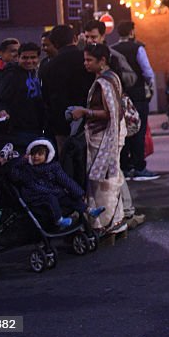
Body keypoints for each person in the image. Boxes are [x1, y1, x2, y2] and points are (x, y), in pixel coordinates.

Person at [68, 43, 127, 237]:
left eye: (89, 60)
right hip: (106, 135)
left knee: (101, 183)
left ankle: (105, 223)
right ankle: (114, 221)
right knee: (109, 179)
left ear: (102, 61)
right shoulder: (111, 77)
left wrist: (84, 111)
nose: (85, 64)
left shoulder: (105, 81)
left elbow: (110, 113)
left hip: (102, 136)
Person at [0, 139, 102, 231]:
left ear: (47, 155)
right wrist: (23, 160)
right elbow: (13, 173)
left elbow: (66, 180)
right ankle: (58, 219)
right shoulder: (27, 170)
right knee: (51, 198)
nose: (36, 157)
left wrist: (78, 192)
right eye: (33, 154)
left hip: (53, 191)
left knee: (69, 197)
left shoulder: (54, 167)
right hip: (35, 196)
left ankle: (89, 210)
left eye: (40, 154)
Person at [40, 25, 94, 187]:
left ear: (54, 43)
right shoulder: (86, 60)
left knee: (67, 162)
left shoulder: (47, 66)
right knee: (88, 161)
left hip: (60, 122)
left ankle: (71, 196)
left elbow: (46, 97)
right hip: (88, 118)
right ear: (75, 39)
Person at [113, 21, 159, 182]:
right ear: (132, 32)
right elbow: (147, 72)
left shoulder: (113, 50)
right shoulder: (138, 48)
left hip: (121, 96)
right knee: (138, 130)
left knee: (123, 132)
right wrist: (150, 89)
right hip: (138, 94)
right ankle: (139, 167)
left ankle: (125, 167)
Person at [0, 41, 47, 151]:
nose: (29, 61)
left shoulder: (35, 73)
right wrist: (2, 110)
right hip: (18, 131)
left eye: (33, 57)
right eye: (25, 58)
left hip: (35, 128)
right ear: (18, 58)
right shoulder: (11, 75)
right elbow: (1, 100)